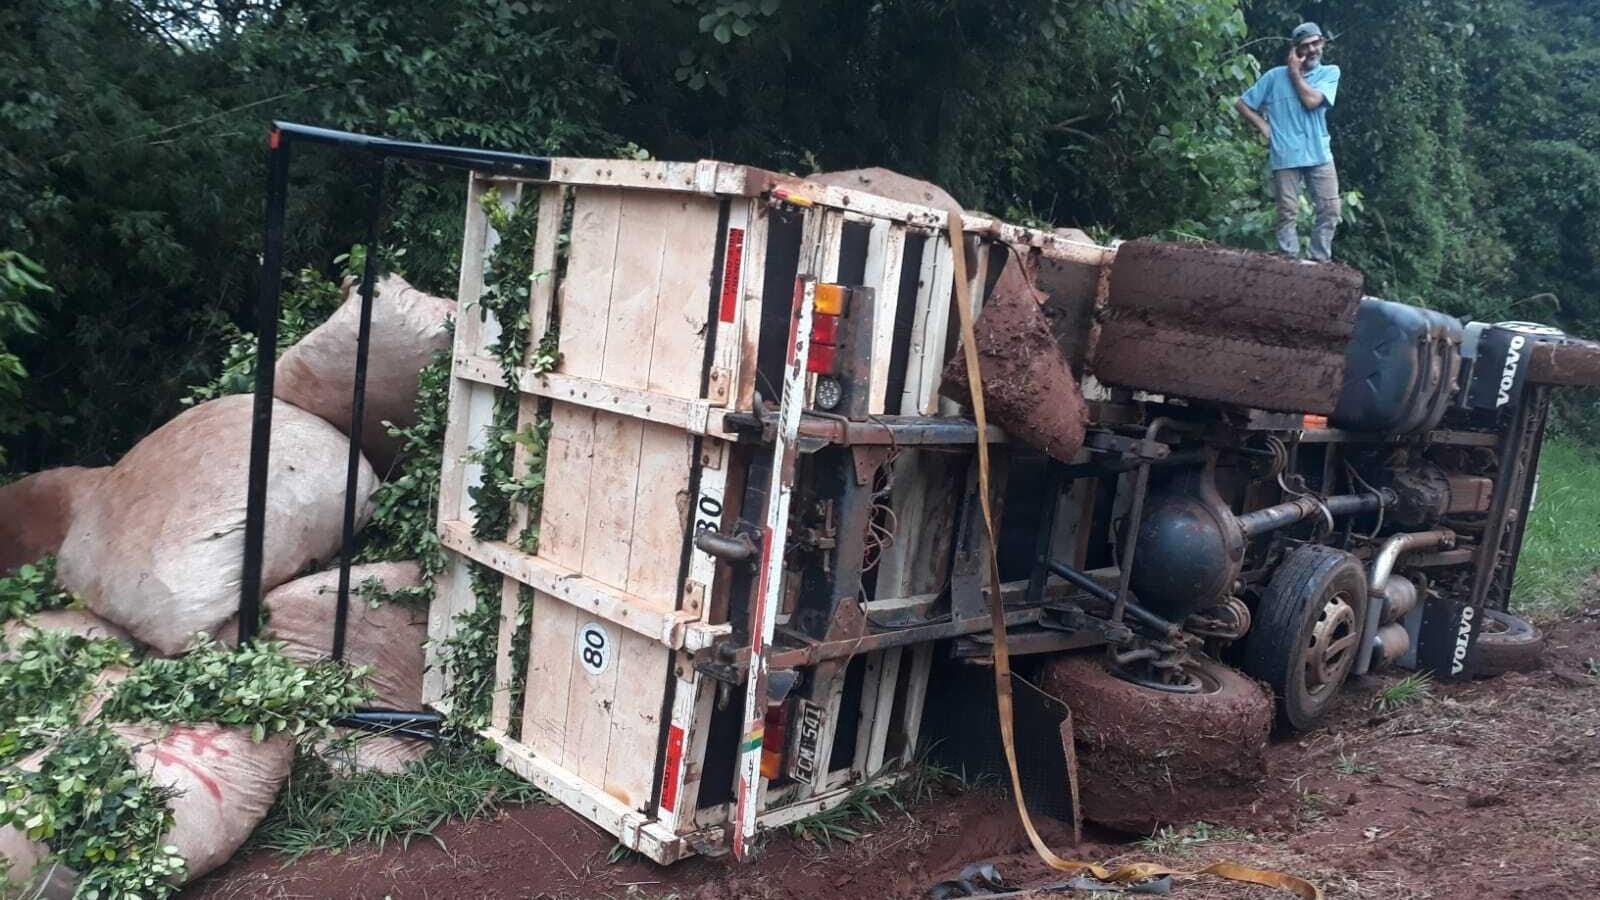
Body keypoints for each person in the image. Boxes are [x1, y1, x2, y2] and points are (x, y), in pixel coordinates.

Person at [1236, 22, 1342, 261]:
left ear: (1323, 42)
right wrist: (1263, 126)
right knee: (1287, 212)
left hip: (1319, 152)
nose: (1313, 50)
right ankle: (1288, 261)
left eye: (1316, 43)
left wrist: (1294, 72)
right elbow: (1242, 103)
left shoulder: (1330, 72)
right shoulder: (1274, 77)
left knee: (1331, 209)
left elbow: (1312, 101)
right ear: (1296, 50)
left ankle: (1319, 260)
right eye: (1306, 46)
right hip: (1285, 153)